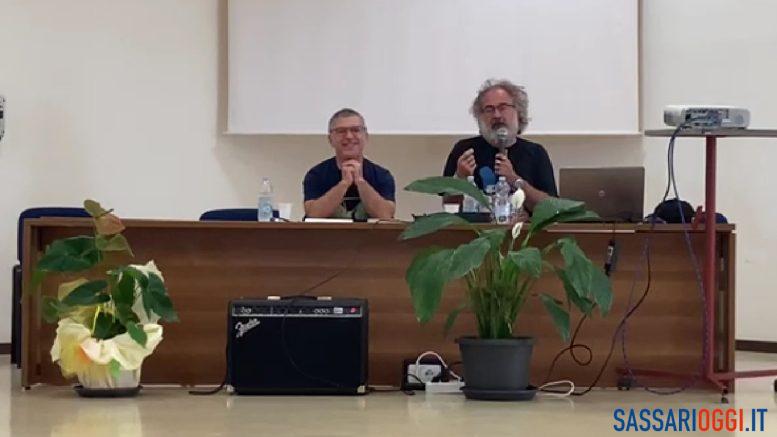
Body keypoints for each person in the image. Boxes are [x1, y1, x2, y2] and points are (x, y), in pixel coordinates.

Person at [443, 79, 557, 211]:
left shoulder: (535, 153)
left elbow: (551, 208)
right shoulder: (464, 151)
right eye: (489, 109)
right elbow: (449, 206)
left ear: (518, 112)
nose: (496, 115)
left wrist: (514, 180)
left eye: (503, 107)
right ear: (479, 117)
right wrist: (460, 179)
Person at [303, 108, 396, 220]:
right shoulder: (316, 174)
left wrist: (360, 182)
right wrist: (344, 184)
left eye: (355, 130)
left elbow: (386, 215)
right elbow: (313, 214)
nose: (349, 136)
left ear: (366, 136)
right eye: (341, 131)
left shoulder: (382, 175)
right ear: (330, 139)